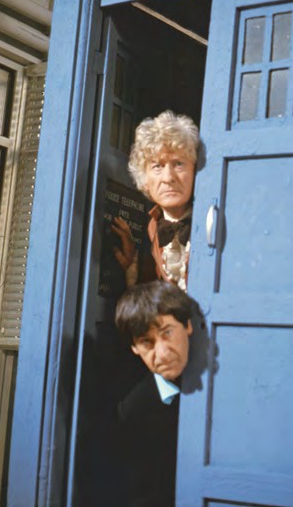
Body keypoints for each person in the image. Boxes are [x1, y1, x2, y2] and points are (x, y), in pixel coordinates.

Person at [115, 280, 195, 507]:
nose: (162, 353)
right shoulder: (132, 411)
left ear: (187, 326)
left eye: (167, 333)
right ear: (134, 348)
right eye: (146, 342)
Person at [112, 110, 200, 290]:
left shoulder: (209, 222)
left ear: (195, 170)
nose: (168, 177)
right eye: (158, 166)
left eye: (178, 164)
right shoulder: (152, 227)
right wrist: (133, 272)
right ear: (144, 178)